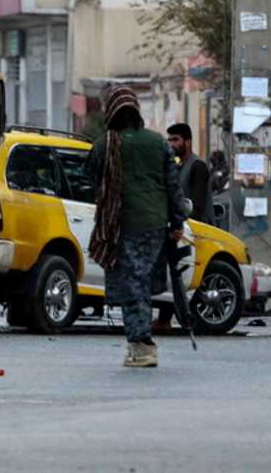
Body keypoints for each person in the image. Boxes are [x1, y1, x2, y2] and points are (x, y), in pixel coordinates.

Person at [84, 85, 187, 368]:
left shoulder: (105, 143)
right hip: (155, 223)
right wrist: (177, 223)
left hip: (123, 223)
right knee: (139, 279)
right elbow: (173, 187)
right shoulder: (158, 142)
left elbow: (89, 173)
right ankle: (138, 343)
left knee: (134, 282)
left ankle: (142, 344)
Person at [154, 122, 212, 333]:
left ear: (187, 141)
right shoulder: (176, 166)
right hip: (179, 227)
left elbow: (195, 205)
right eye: (169, 140)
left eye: (175, 139)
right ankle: (165, 318)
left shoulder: (197, 166)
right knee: (174, 269)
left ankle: (178, 318)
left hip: (196, 230)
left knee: (184, 273)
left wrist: (182, 224)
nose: (171, 144)